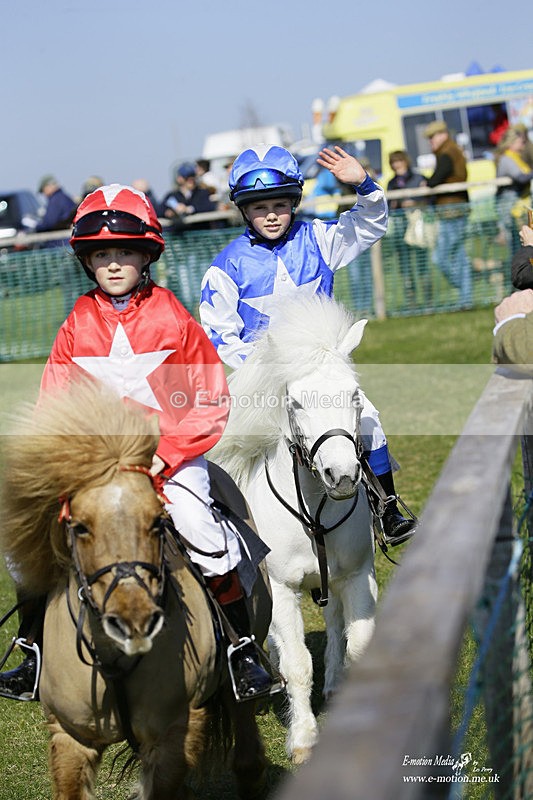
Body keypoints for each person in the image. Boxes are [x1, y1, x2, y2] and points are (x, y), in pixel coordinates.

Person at [0, 184, 273, 702]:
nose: (114, 263)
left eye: (124, 251)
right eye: (102, 253)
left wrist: (167, 457)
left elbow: (208, 399)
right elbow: (54, 405)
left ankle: (241, 651)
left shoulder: (172, 317)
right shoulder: (75, 326)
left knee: (202, 533)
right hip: (95, 471)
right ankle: (32, 650)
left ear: (146, 254)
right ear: (88, 261)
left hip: (169, 460)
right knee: (27, 549)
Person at [199, 144, 416, 545]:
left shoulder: (318, 237)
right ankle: (227, 532)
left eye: (280, 204)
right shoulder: (224, 267)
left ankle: (387, 508)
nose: (271, 215)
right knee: (222, 446)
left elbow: (371, 225)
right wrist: (271, 365)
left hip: (320, 370)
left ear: (295, 202)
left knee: (366, 416)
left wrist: (364, 184)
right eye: (260, 207)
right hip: (261, 379)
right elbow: (218, 334)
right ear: (243, 210)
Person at [424, 121, 472, 307]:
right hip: (458, 208)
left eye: (432, 137)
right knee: (460, 255)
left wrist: (427, 183)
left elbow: (435, 179)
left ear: (443, 134)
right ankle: (465, 299)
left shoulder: (447, 153)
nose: (431, 142)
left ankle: (463, 290)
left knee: (440, 256)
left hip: (451, 210)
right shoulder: (453, 150)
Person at [386, 150, 430, 307]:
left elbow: (428, 198)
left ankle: (427, 298)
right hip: (400, 226)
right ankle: (411, 299)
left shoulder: (419, 177)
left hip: (417, 223)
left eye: (399, 161)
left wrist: (414, 201)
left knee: (421, 261)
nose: (397, 165)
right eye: (393, 162)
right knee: (404, 264)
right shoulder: (392, 183)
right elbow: (389, 205)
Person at [495, 127, 533, 254]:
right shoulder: (507, 159)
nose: (523, 145)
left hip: (519, 205)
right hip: (511, 207)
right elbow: (521, 177)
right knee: (517, 245)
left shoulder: (517, 158)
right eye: (520, 142)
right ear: (511, 142)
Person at [161, 162, 217, 231]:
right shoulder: (172, 196)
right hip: (179, 236)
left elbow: (210, 206)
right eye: (187, 177)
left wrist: (189, 209)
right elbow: (159, 210)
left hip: (200, 234)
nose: (191, 180)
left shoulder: (202, 193)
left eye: (193, 176)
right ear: (179, 179)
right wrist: (169, 212)